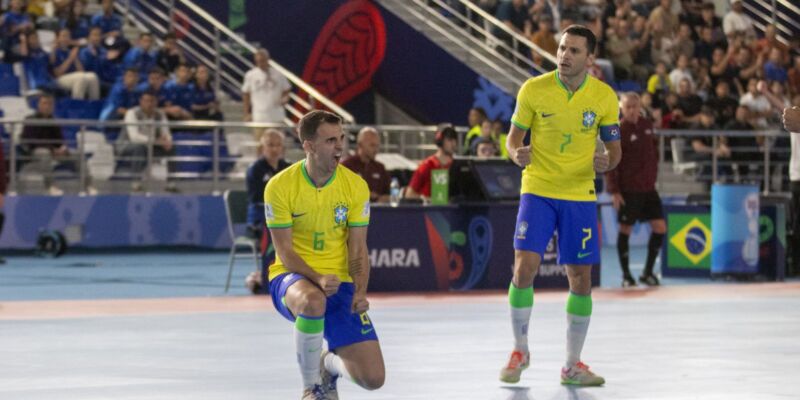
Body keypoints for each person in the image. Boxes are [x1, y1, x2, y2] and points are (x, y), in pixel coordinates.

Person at [500, 25, 621, 387]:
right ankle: (520, 349)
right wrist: (515, 154)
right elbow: (511, 140)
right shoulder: (533, 89)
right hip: (538, 188)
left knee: (580, 278)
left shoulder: (604, 97)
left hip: (579, 194)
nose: (565, 55)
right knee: (524, 267)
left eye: (574, 50)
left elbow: (614, 151)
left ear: (589, 58)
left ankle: (572, 366)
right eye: (562, 48)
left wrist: (607, 162)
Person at [265, 110, 385, 399]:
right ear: (309, 145)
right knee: (312, 300)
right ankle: (312, 387)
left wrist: (359, 291)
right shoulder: (280, 186)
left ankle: (326, 365)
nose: (339, 146)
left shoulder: (355, 186)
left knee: (373, 378)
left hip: (339, 283)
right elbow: (284, 251)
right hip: (291, 278)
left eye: (341, 138)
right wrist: (317, 277)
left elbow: (357, 248)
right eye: (331, 140)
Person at [606, 93, 665, 287]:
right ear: (621, 108)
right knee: (626, 230)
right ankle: (626, 276)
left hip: (648, 189)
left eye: (635, 106)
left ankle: (647, 272)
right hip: (628, 190)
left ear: (640, 106)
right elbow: (611, 162)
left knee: (660, 228)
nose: (632, 110)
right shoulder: (618, 130)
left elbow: (652, 153)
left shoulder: (647, 125)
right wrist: (614, 191)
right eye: (628, 107)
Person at [19, 93, 96, 195]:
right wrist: (52, 149)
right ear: (39, 105)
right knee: (44, 153)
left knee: (78, 154)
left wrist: (63, 148)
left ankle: (88, 186)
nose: (47, 106)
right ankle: (50, 186)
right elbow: (31, 141)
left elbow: (59, 140)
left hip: (54, 151)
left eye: (50, 104)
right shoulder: (30, 120)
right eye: (44, 103)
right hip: (35, 151)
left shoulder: (53, 121)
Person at [117, 90, 174, 190]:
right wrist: (156, 141)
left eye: (152, 101)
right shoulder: (132, 113)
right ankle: (136, 182)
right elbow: (134, 137)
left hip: (151, 145)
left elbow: (166, 132)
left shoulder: (160, 114)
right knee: (139, 147)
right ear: (141, 101)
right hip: (127, 145)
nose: (149, 104)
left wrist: (167, 141)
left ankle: (171, 183)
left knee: (172, 148)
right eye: (146, 101)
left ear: (156, 102)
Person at [245, 129, 290, 231]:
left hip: (284, 215)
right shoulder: (255, 169)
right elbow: (259, 197)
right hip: (260, 217)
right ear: (262, 148)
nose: (275, 149)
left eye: (278, 145)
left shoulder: (289, 168)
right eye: (270, 145)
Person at [405, 126, 458, 201]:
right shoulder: (427, 165)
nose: (453, 143)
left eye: (454, 140)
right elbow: (409, 194)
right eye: (449, 140)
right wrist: (428, 200)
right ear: (440, 141)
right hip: (430, 211)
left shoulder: (457, 165)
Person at [341, 127, 391, 203]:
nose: (376, 149)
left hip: (378, 212)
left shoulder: (380, 168)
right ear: (360, 145)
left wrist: (384, 198)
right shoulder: (346, 166)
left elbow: (390, 194)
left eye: (377, 146)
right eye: (372, 145)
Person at [242, 48, 291, 124]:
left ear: (268, 59)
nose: (260, 64)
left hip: (276, 115)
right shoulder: (251, 75)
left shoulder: (278, 74)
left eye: (262, 61)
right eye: (258, 62)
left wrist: (284, 99)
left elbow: (287, 89)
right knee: (260, 136)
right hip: (259, 117)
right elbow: (246, 95)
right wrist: (246, 113)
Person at [783, 106, 800, 274]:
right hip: (797, 177)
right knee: (796, 225)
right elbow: (780, 105)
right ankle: (795, 264)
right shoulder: (793, 115)